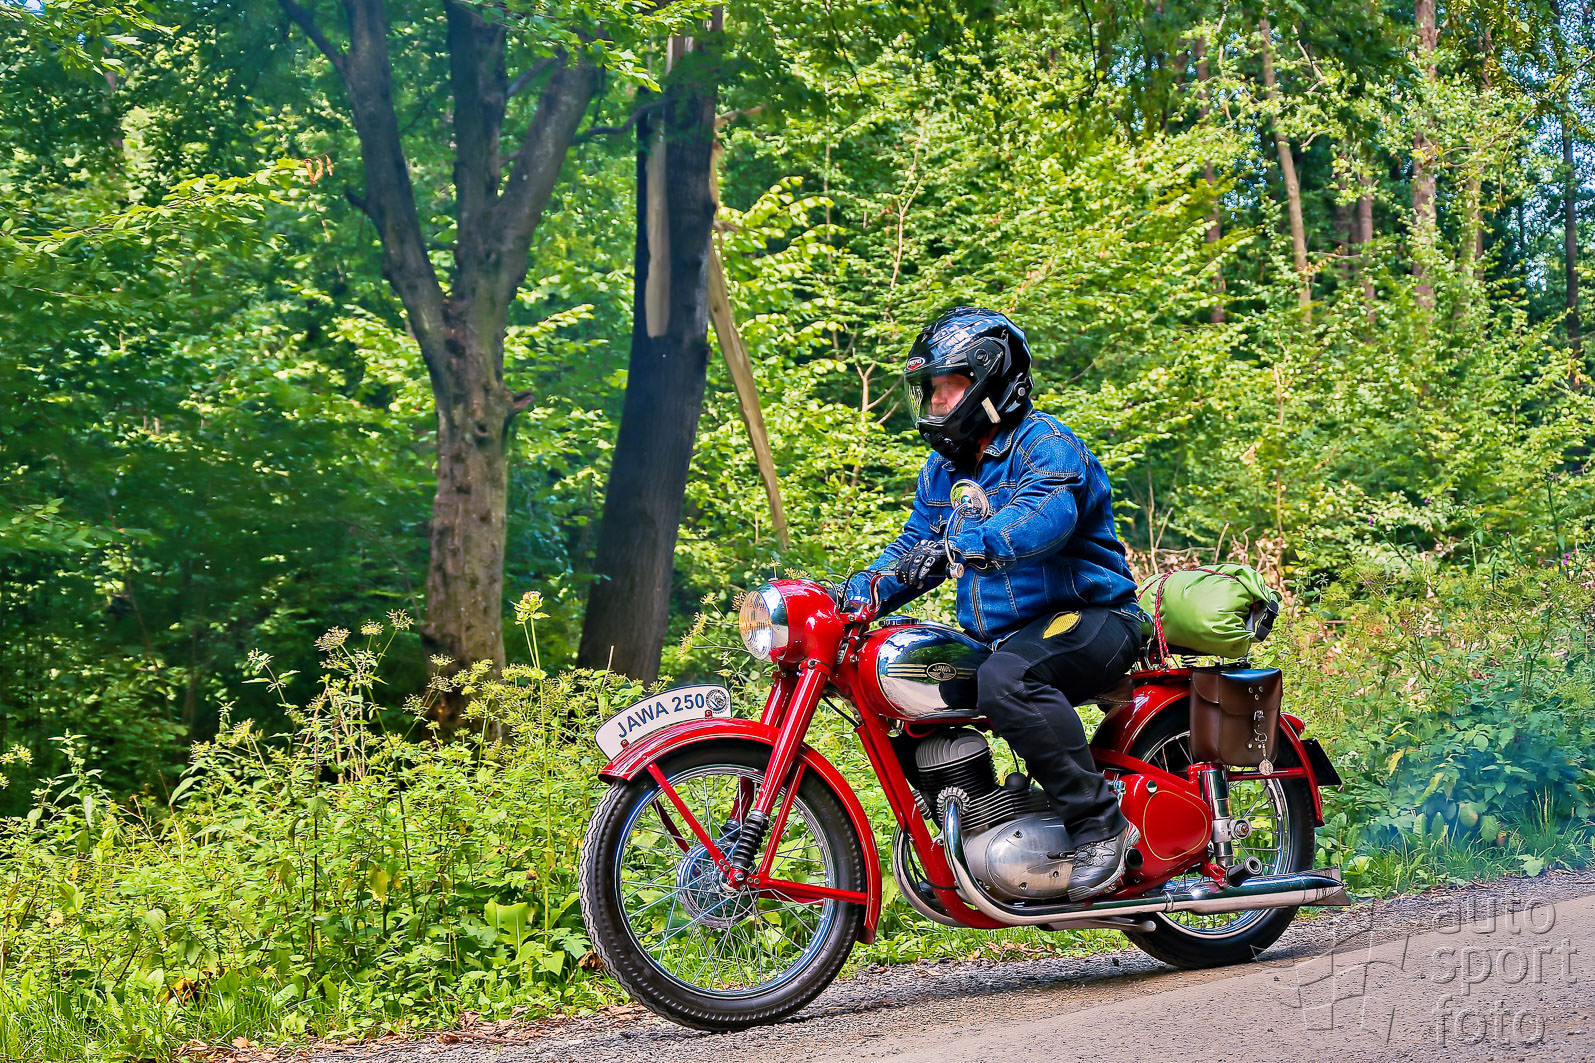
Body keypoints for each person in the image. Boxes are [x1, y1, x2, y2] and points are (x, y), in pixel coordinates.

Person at [843, 306, 1145, 901]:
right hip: (1008, 636)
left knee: (1008, 678)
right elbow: (914, 543)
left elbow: (1041, 519)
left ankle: (1101, 828)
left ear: (991, 384)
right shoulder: (944, 469)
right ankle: (974, 831)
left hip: (1093, 618)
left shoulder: (1047, 445)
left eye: (948, 386)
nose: (935, 401)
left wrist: (962, 543)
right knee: (914, 677)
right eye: (930, 389)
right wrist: (858, 593)